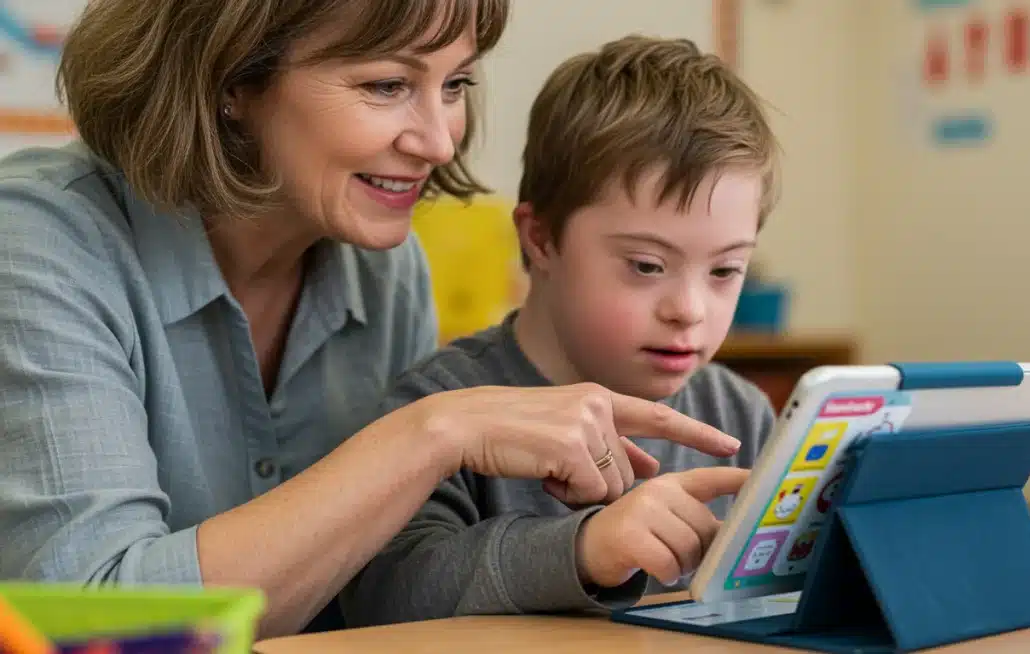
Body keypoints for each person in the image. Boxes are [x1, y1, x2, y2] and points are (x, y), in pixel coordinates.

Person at [0, 0, 748, 639]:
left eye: (453, 83)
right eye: (387, 84)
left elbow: (374, 603)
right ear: (230, 80)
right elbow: (92, 629)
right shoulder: (38, 244)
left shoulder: (383, 266)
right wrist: (432, 432)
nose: (440, 140)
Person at [341, 34, 782, 626]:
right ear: (541, 239)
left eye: (726, 270)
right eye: (647, 266)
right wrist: (584, 549)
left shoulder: (739, 415)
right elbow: (383, 596)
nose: (690, 309)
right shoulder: (441, 409)